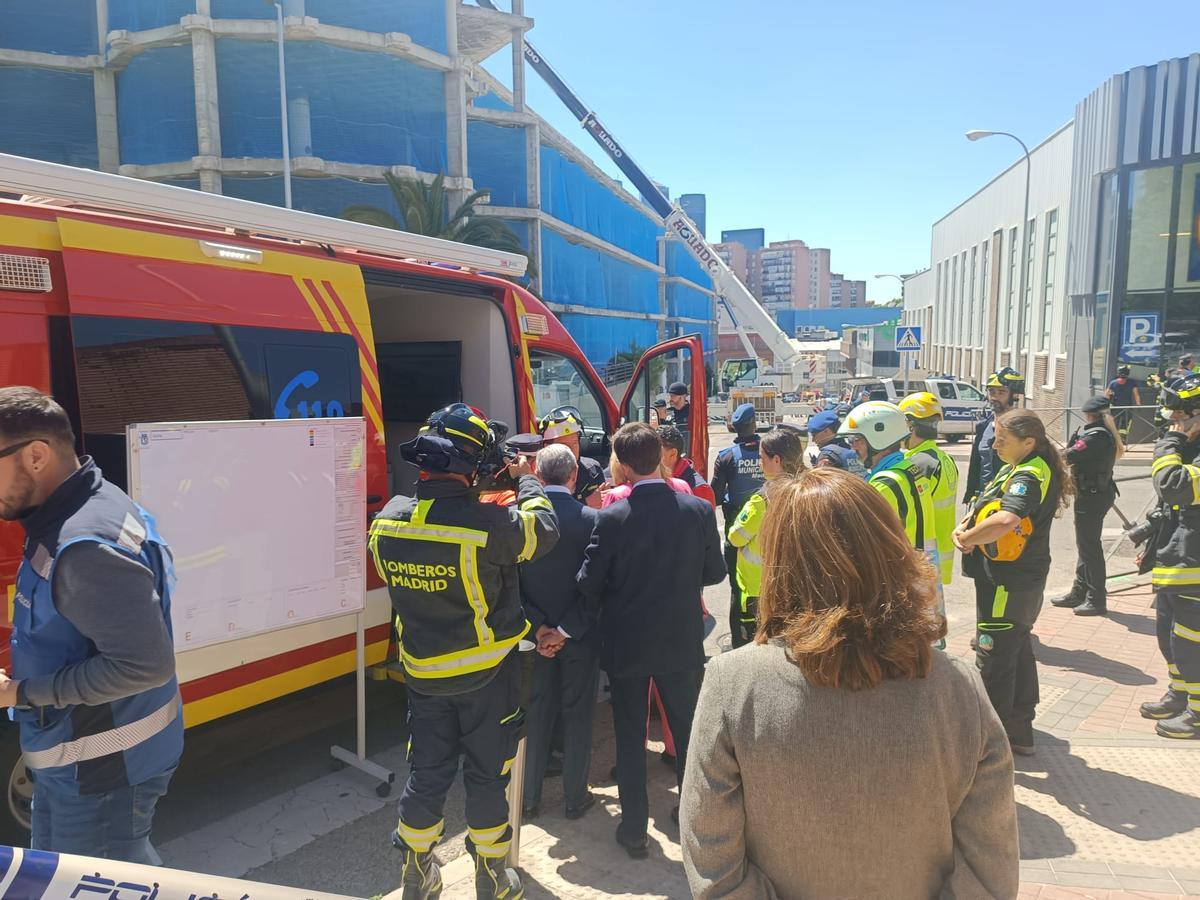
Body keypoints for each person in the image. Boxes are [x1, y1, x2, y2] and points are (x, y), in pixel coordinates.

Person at [680, 469, 1018, 899]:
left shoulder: (733, 684)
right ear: (892, 549)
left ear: (779, 567)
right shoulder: (957, 687)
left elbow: (712, 857)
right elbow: (992, 865)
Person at [368, 402, 559, 899]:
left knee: (427, 773)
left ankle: (415, 871)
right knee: (486, 774)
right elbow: (545, 529)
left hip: (422, 677)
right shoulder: (490, 525)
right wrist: (528, 480)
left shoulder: (387, 522)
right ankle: (493, 877)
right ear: (471, 466)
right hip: (487, 677)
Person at [0, 386, 182, 864]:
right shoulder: (89, 503)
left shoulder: (83, 545)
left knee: (96, 882)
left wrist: (22, 693)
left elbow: (143, 666)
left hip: (102, 774)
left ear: (35, 456)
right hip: (79, 765)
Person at [576, 422, 725, 858]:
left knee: (629, 734)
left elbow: (588, 581)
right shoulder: (695, 511)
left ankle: (635, 829)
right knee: (687, 731)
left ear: (621, 465)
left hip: (628, 643)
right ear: (662, 455)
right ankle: (692, 815)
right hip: (680, 639)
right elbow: (715, 574)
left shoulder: (612, 516)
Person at [954, 409, 1072, 755]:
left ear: (1028, 442)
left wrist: (971, 538)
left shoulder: (1030, 473)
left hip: (1009, 581)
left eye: (1002, 440)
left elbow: (1007, 518)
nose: (994, 445)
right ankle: (1019, 731)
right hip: (1008, 577)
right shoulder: (1016, 466)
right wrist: (966, 526)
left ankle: (990, 745)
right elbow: (989, 506)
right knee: (1016, 648)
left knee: (993, 656)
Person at [519, 444, 600, 821]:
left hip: (534, 638)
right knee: (578, 715)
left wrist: (539, 628)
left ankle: (528, 797)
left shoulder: (520, 519)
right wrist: (565, 630)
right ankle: (573, 798)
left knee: (536, 715)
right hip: (579, 637)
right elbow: (597, 588)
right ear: (573, 476)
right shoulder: (591, 520)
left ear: (538, 475)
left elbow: (511, 584)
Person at [1138, 373, 1200, 738]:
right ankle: (1180, 693)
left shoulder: (1181, 446)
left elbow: (1174, 486)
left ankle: (1197, 713)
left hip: (1195, 565)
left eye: (1180, 417)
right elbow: (1172, 507)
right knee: (1169, 634)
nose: (1173, 425)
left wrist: (1171, 441)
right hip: (1179, 561)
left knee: (1191, 641)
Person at [726, 428, 806, 647]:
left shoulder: (761, 502)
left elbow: (735, 538)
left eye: (762, 458)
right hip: (799, 588)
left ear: (777, 460)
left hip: (760, 591)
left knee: (757, 645)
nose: (760, 463)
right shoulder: (809, 492)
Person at [1052, 396, 1122, 617]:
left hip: (1093, 496)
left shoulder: (1096, 436)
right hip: (1094, 494)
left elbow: (1069, 456)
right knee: (1086, 546)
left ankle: (1096, 598)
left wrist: (1048, 453)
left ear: (1088, 414)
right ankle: (1080, 591)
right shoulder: (1100, 432)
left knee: (1090, 548)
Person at [838, 401, 936, 560]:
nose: (853, 446)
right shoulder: (909, 468)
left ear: (879, 438)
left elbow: (866, 540)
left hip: (900, 568)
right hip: (922, 564)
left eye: (856, 439)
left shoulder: (883, 485)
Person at [710, 404, 765, 646]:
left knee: (738, 588)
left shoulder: (727, 457)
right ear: (754, 424)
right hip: (772, 531)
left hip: (738, 533)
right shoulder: (771, 451)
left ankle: (738, 642)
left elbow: (715, 495)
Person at [899, 392, 960, 588]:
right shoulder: (943, 458)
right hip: (937, 553)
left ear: (909, 425)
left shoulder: (919, 463)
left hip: (922, 554)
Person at [963, 367, 1024, 506]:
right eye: (991, 391)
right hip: (981, 500)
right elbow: (976, 466)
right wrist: (971, 495)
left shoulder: (1023, 430)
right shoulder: (984, 427)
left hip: (1008, 503)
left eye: (1001, 392)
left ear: (1014, 395)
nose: (994, 397)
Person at [539, 409, 605, 509]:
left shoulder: (593, 470)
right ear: (547, 447)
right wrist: (586, 503)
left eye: (575, 443)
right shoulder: (541, 475)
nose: (572, 449)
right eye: (565, 445)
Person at [657, 424, 715, 506]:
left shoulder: (699, 488)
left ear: (673, 453)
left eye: (656, 451)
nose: (650, 455)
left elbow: (705, 517)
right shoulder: (651, 477)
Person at [806, 409, 866, 476]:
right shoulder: (852, 449)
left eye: (814, 435)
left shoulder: (827, 456)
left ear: (827, 431)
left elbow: (821, 484)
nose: (813, 440)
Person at [1105, 366, 1142, 441]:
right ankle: (1122, 439)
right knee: (1125, 424)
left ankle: (1113, 439)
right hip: (1127, 407)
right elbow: (1136, 394)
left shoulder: (1113, 382)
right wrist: (1138, 405)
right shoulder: (1132, 382)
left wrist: (1105, 405)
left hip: (1116, 407)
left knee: (1114, 423)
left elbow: (1106, 394)